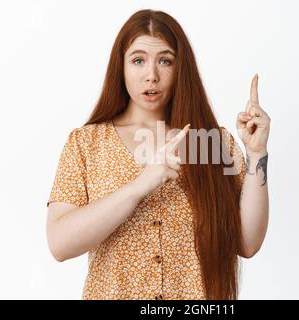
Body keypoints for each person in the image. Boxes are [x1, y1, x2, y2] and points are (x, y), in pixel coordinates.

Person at [46, 9, 270, 300]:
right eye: (138, 60)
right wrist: (142, 184)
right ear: (121, 67)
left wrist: (256, 154)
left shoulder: (212, 142)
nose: (151, 75)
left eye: (165, 61)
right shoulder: (86, 143)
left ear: (181, 69)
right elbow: (60, 244)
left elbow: (247, 242)